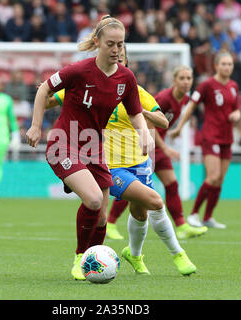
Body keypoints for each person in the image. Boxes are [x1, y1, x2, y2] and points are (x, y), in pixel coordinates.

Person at [47, 47, 197, 277]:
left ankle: (134, 255)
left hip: (141, 164)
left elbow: (162, 121)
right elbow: (53, 98)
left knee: (140, 213)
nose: (118, 61)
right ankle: (178, 253)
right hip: (110, 164)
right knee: (155, 201)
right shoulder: (92, 87)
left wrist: (139, 111)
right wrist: (43, 102)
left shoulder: (135, 91)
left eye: (122, 58)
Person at [25, 15, 154, 280]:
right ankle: (80, 258)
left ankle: (92, 261)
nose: (117, 50)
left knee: (102, 217)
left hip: (94, 148)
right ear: (97, 42)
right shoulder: (79, 71)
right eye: (111, 44)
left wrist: (144, 133)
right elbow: (43, 90)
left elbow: (135, 111)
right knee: (94, 199)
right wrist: (36, 126)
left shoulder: (126, 78)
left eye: (120, 44)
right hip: (63, 142)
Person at [107, 66, 208, 241]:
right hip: (147, 146)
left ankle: (182, 225)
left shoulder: (183, 99)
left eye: (189, 78)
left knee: (171, 184)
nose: (186, 82)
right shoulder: (163, 98)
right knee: (133, 188)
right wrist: (166, 147)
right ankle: (110, 223)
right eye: (182, 78)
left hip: (158, 148)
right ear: (174, 81)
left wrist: (177, 131)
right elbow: (149, 126)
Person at [170, 50, 241, 229]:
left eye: (230, 64)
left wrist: (237, 114)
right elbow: (191, 106)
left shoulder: (233, 86)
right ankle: (194, 214)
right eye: (224, 64)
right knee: (213, 176)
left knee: (219, 180)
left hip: (227, 137)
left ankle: (208, 217)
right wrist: (179, 127)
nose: (227, 67)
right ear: (216, 66)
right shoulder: (207, 85)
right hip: (211, 135)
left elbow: (236, 109)